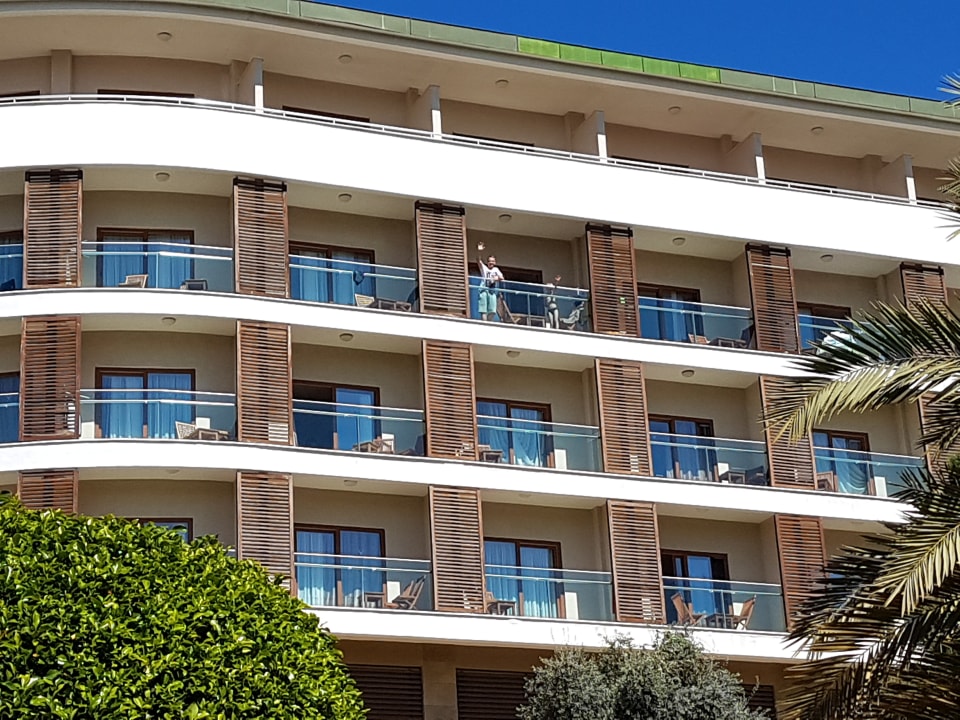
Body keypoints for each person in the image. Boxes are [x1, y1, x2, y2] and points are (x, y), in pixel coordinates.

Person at [476, 241, 504, 321]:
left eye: (492, 261)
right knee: (483, 309)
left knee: (492, 311)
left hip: (492, 290)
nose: (491, 262)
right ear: (487, 262)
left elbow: (502, 278)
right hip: (484, 289)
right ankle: (484, 323)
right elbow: (478, 260)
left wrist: (496, 278)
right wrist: (479, 251)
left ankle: (488, 323)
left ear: (495, 262)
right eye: (489, 261)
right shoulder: (484, 268)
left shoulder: (496, 269)